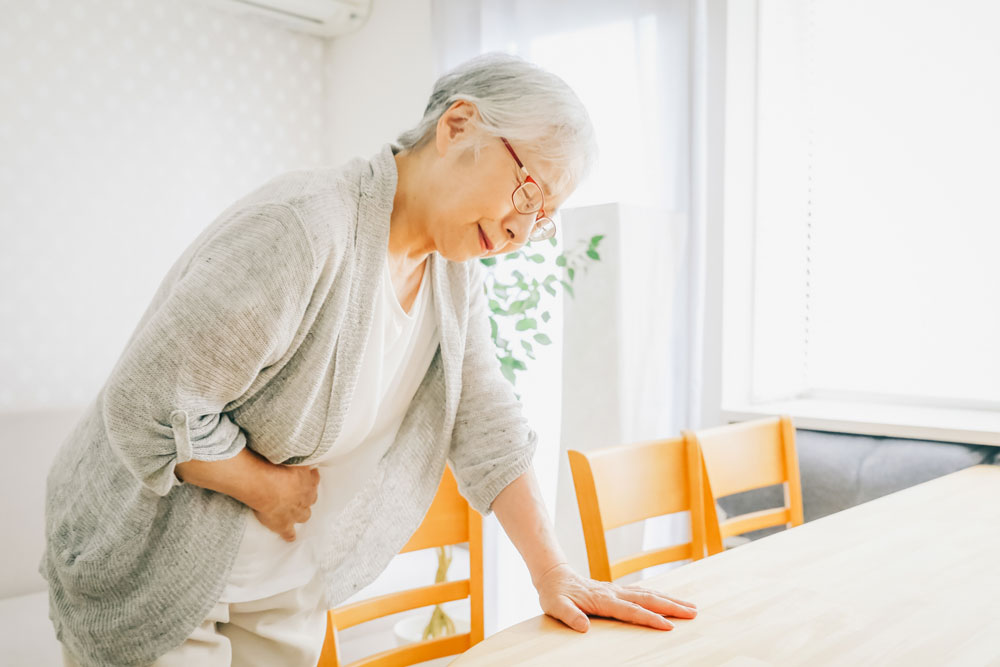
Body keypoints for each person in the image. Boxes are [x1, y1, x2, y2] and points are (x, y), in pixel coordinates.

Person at [44, 52, 698, 667]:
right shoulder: (303, 230)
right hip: (161, 572)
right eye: (526, 195)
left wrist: (553, 572)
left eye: (543, 219)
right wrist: (265, 485)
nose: (519, 234)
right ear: (458, 125)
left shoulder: (451, 270)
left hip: (282, 580)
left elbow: (484, 417)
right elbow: (146, 403)